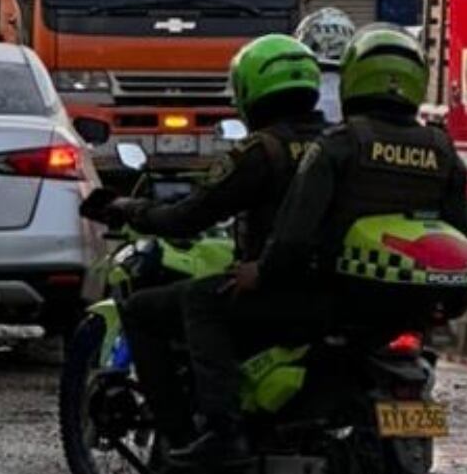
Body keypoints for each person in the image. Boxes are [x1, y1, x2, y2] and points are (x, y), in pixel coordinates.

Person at [176, 26, 467, 469]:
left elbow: (295, 231)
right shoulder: (442, 149)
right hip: (411, 308)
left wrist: (261, 272)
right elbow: (465, 230)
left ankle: (224, 434)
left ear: (354, 77)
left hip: (332, 300)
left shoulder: (339, 145)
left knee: (202, 302)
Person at [79, 34, 326, 437]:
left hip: (276, 288)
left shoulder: (261, 151)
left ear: (251, 90)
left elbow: (187, 218)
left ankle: (207, 435)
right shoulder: (335, 143)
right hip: (331, 290)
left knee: (162, 308)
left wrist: (131, 209)